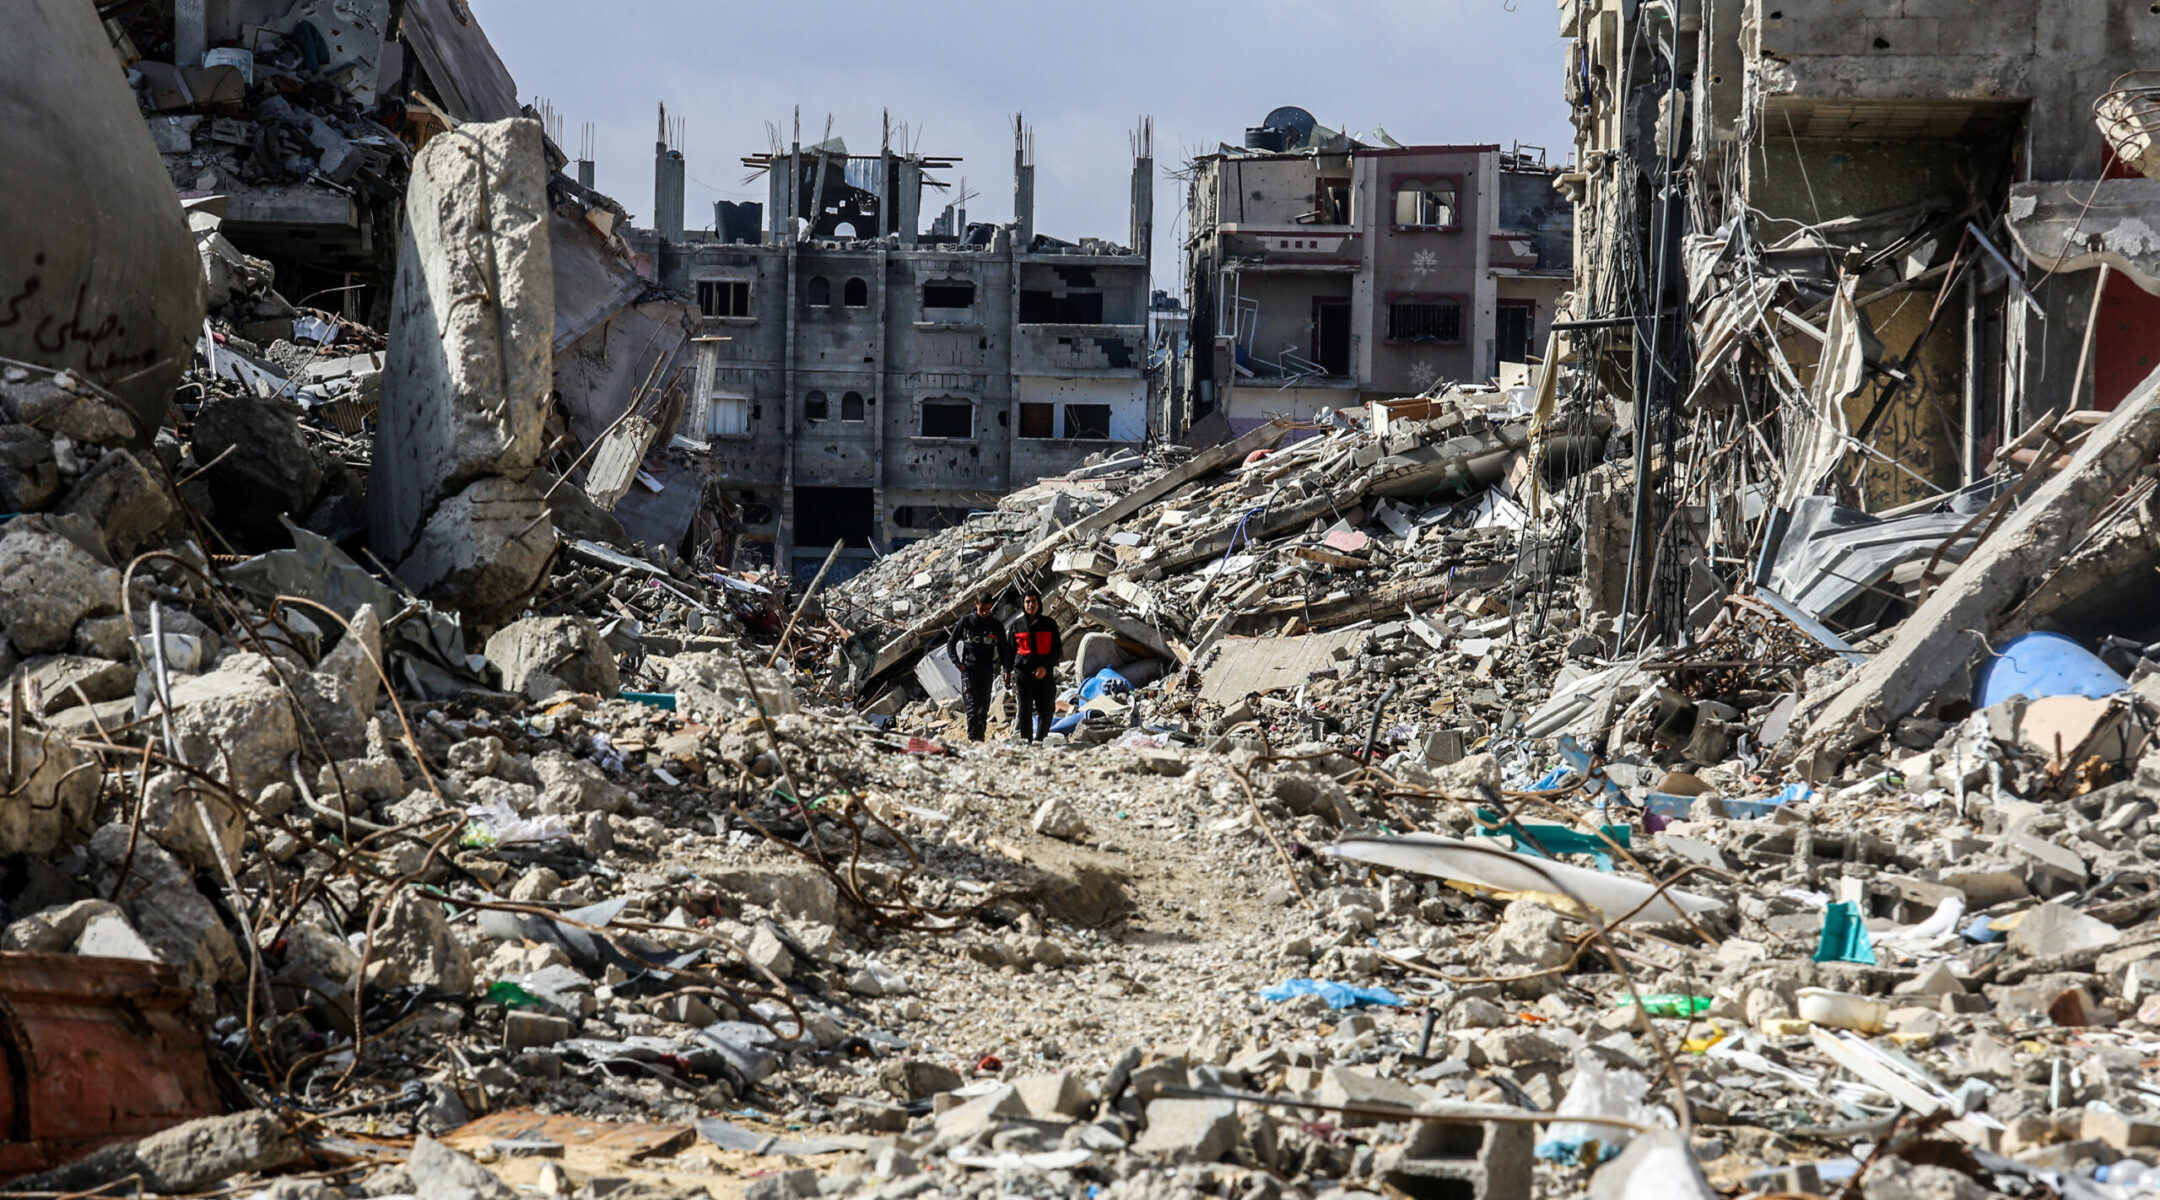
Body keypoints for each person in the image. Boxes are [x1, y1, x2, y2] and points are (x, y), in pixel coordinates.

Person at [944, 593, 1011, 741]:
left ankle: (979, 740)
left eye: (988, 609)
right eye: (982, 610)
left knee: (983, 710)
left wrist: (1006, 669)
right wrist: (958, 664)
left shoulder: (996, 625)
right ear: (976, 605)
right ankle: (973, 741)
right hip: (969, 672)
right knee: (972, 710)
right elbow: (951, 643)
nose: (985, 613)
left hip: (986, 673)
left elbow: (1004, 649)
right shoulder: (966, 622)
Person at [1006, 588, 1061, 741]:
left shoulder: (1049, 624)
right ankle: (1026, 741)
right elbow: (1010, 651)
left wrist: (1045, 667)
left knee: (1046, 709)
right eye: (1027, 602)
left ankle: (1041, 739)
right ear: (1023, 604)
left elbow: (1057, 650)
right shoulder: (1016, 626)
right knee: (1024, 711)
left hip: (1044, 675)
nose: (1031, 605)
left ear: (1039, 603)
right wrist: (1007, 670)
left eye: (1034, 601)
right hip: (1023, 675)